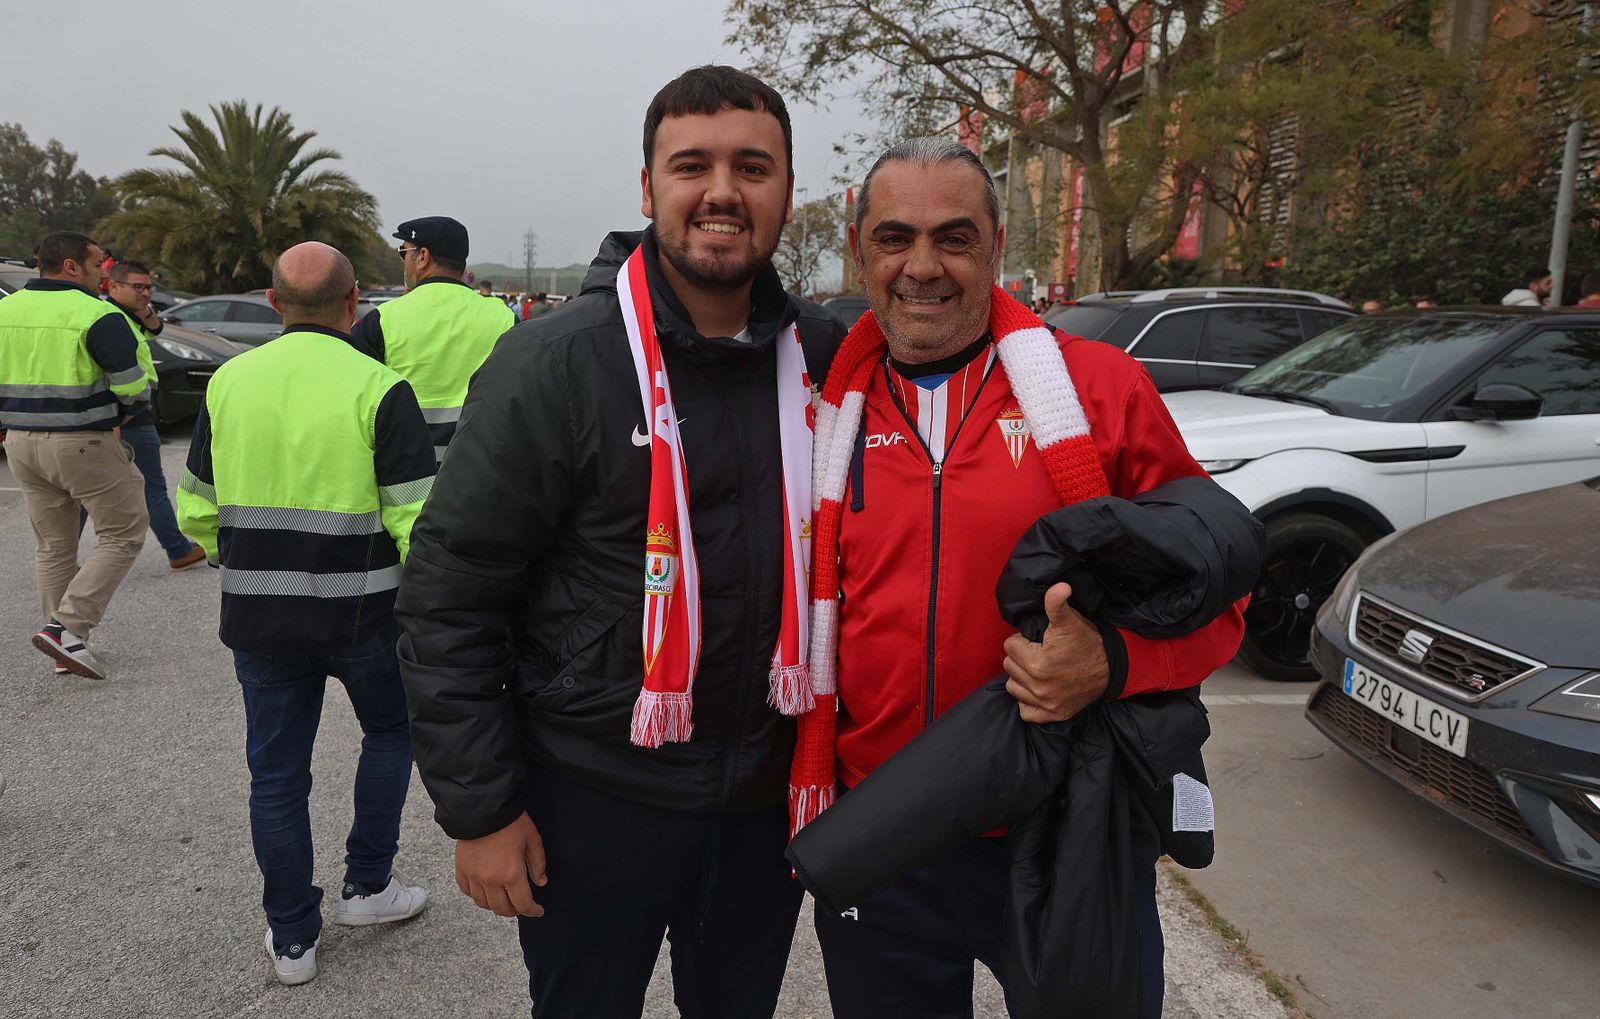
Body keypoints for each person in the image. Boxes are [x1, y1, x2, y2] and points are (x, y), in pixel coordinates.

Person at [395, 65, 845, 1018]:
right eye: (693, 165)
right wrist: (482, 811)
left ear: (786, 194)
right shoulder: (557, 362)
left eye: (752, 167)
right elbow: (450, 594)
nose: (722, 190)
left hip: (766, 806)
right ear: (648, 189)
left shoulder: (829, 357)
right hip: (593, 801)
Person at [786, 138, 1246, 1019]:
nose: (923, 267)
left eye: (954, 238)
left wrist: (1112, 659)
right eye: (895, 238)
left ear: (996, 247)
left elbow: (1221, 591)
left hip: (1064, 827)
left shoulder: (1099, 388)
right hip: (887, 828)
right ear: (859, 250)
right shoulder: (818, 409)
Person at [176, 242, 436, 987]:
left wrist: (247, 564)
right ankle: (368, 885)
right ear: (356, 305)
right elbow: (417, 521)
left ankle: (293, 937)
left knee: (277, 773)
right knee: (391, 731)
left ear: (272, 301)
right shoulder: (381, 387)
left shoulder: (228, 382)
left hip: (259, 619)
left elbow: (197, 506)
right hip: (365, 618)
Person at [0, 231, 150, 680]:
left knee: (54, 545)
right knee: (124, 532)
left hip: (20, 443)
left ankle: (65, 641)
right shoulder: (97, 315)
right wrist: (130, 409)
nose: (103, 274)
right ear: (70, 267)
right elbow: (131, 385)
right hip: (83, 441)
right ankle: (65, 629)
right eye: (97, 264)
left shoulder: (5, 311)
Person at [350, 217, 515, 462]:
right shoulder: (505, 318)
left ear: (423, 256)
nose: (403, 260)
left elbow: (353, 400)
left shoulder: (382, 320)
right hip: (481, 468)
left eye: (403, 252)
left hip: (405, 471)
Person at [101, 260, 207, 571]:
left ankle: (178, 550)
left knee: (87, 492)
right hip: (130, 418)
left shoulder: (126, 317)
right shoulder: (111, 321)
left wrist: (143, 308)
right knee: (152, 488)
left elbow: (155, 329)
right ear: (114, 287)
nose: (146, 292)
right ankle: (177, 550)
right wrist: (123, 415)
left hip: (126, 416)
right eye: (137, 287)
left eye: (148, 287)